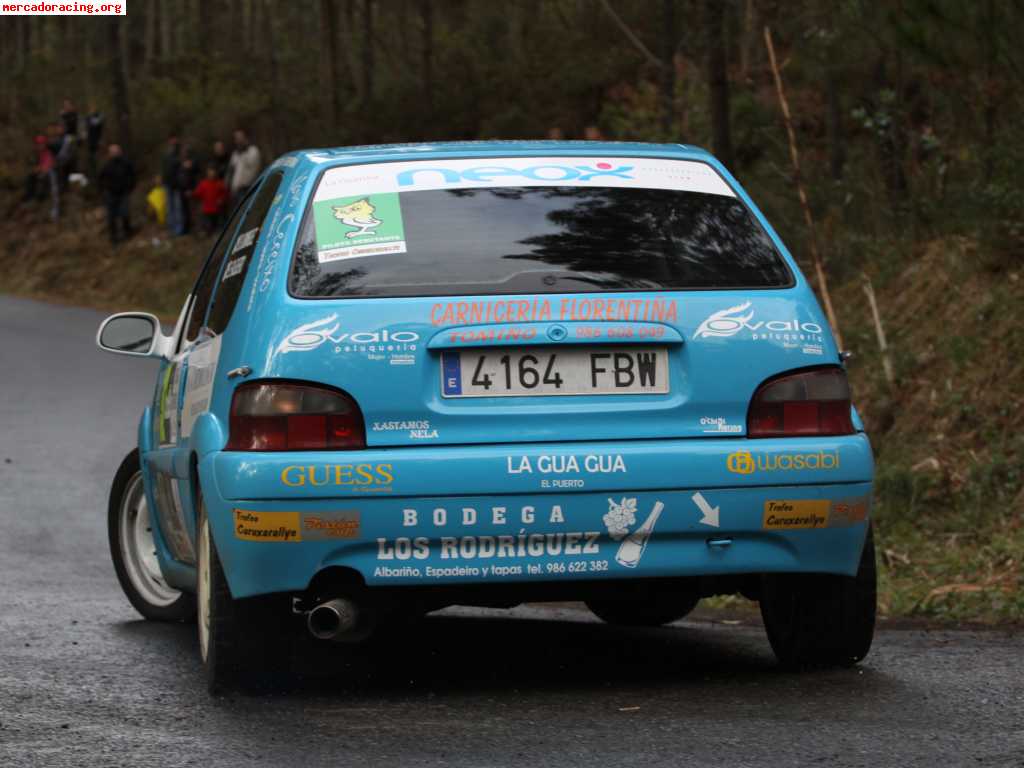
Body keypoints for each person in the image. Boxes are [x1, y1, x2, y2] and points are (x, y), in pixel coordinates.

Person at [97, 144, 136, 245]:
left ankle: (128, 232)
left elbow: (132, 174)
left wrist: (130, 186)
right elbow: (100, 179)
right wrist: (103, 191)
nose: (115, 153)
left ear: (120, 152)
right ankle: (114, 238)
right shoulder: (107, 165)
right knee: (111, 217)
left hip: (124, 193)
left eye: (117, 151)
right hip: (111, 194)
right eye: (113, 152)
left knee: (125, 214)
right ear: (110, 154)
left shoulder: (126, 163)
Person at [191, 165, 228, 235]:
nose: (212, 174)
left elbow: (225, 194)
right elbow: (197, 193)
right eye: (210, 172)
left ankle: (216, 233)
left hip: (217, 209)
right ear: (207, 173)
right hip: (207, 209)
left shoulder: (220, 183)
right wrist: (192, 194)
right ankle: (208, 233)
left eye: (213, 172)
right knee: (208, 224)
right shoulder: (203, 183)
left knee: (217, 223)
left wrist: (221, 199)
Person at [226, 129, 261, 200]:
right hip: (235, 190)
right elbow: (231, 170)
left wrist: (244, 150)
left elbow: (253, 168)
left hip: (248, 188)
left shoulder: (253, 151)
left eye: (240, 137)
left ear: (246, 138)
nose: (238, 140)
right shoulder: (235, 153)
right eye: (236, 138)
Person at [161, 136, 182, 235]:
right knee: (170, 207)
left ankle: (178, 229)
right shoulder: (166, 155)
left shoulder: (179, 155)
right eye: (171, 144)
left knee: (177, 207)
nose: (173, 146)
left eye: (174, 144)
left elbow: (181, 171)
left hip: (177, 185)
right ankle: (171, 228)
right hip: (168, 184)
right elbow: (164, 169)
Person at [177, 146, 199, 236]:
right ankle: (186, 228)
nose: (183, 154)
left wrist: (191, 190)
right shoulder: (180, 164)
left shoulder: (192, 163)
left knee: (192, 211)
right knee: (184, 211)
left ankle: (195, 228)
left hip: (190, 190)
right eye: (182, 152)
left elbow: (193, 178)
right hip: (182, 191)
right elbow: (179, 177)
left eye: (185, 152)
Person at [85, 105, 104, 181]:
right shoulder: (87, 119)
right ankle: (93, 178)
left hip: (98, 142)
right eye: (90, 110)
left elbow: (97, 123)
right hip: (90, 143)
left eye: (93, 109)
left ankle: (100, 177)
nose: (91, 111)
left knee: (99, 160)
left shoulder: (99, 117)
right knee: (91, 161)